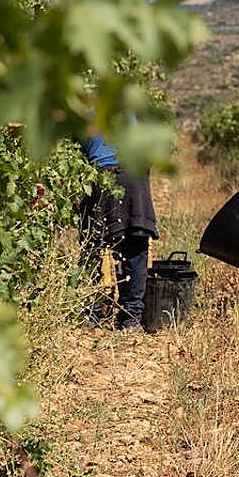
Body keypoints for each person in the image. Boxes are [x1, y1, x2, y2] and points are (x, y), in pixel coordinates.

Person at [78, 134, 158, 332]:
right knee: (134, 244)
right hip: (135, 174)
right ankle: (130, 318)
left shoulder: (79, 114)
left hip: (101, 175)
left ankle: (93, 312)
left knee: (92, 244)